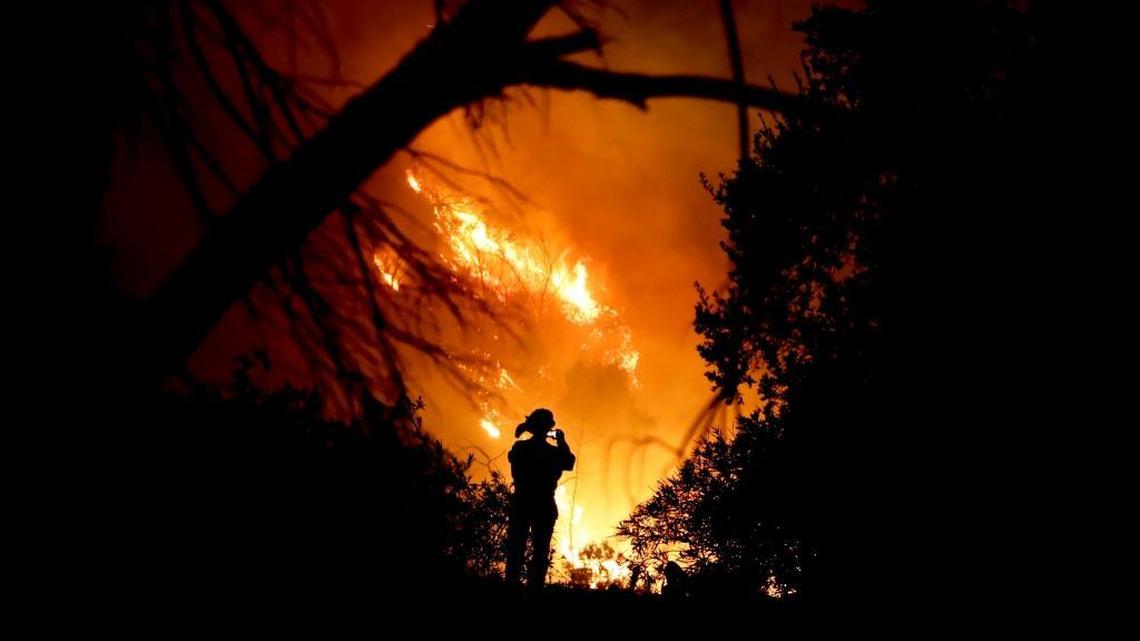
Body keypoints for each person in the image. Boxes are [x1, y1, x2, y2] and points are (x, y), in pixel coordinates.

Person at [504, 408, 575, 589]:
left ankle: (511, 588)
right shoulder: (553, 453)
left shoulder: (519, 449)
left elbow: (513, 459)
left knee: (516, 550)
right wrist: (562, 441)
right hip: (543, 506)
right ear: (549, 428)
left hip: (522, 503)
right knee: (540, 553)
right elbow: (569, 462)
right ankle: (534, 591)